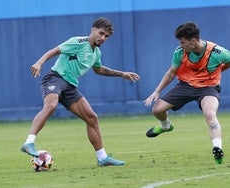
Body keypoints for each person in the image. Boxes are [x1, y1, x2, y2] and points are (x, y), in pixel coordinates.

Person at [20, 18, 140, 166]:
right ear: (93, 30)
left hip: (70, 86)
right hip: (55, 78)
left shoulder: (97, 53)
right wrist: (39, 62)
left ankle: (102, 158)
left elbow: (99, 70)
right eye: (101, 33)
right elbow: (54, 51)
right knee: (51, 106)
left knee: (92, 118)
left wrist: (122, 74)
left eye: (106, 36)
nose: (103, 38)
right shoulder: (78, 42)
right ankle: (29, 142)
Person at [144, 22, 230, 164]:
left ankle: (217, 148)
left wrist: (219, 70)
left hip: (208, 87)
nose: (181, 45)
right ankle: (166, 126)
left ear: (194, 41)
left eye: (183, 42)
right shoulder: (180, 52)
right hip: (185, 85)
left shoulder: (216, 52)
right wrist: (156, 91)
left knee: (209, 114)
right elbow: (171, 73)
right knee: (157, 110)